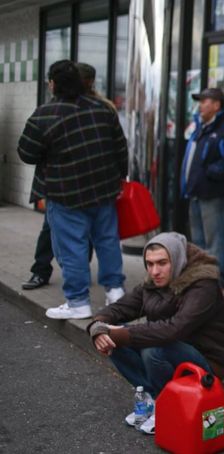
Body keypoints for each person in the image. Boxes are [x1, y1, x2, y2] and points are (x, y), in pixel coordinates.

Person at [87, 232, 224, 435]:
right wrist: (98, 327)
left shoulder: (203, 285)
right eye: (149, 264)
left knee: (153, 349)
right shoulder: (153, 282)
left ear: (177, 259)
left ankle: (165, 404)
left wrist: (121, 333)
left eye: (162, 263)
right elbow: (120, 308)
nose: (155, 271)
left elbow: (175, 329)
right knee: (113, 341)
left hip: (207, 362)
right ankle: (152, 398)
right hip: (172, 349)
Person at [17, 60, 127, 319]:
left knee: (72, 247)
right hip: (104, 190)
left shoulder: (44, 115)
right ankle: (116, 291)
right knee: (107, 240)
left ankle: (78, 302)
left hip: (64, 194)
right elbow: (120, 147)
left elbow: (26, 153)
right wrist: (119, 179)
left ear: (53, 84)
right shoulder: (103, 109)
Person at [21, 63, 107, 294]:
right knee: (51, 230)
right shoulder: (55, 109)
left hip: (86, 184)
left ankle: (75, 275)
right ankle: (43, 269)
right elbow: (29, 150)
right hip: (61, 186)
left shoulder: (99, 108)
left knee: (83, 231)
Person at [180, 87, 224, 289]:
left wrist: (208, 173)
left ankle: (216, 281)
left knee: (214, 241)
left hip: (212, 195)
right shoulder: (202, 129)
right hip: (196, 194)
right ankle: (201, 280)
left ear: (216, 105)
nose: (200, 105)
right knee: (198, 241)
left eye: (204, 101)